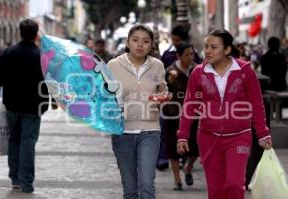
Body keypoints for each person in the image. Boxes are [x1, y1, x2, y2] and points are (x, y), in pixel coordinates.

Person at [177, 29, 272, 199]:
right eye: (206, 47)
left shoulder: (245, 71)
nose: (208, 51)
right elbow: (189, 106)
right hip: (208, 138)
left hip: (239, 136)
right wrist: (182, 135)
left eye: (214, 47)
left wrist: (263, 133)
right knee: (216, 190)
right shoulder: (198, 73)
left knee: (234, 184)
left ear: (227, 50)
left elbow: (256, 104)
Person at [108, 24, 168, 199]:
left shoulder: (157, 66)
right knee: (130, 190)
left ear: (151, 45)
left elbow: (162, 90)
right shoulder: (113, 65)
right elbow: (103, 95)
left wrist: (163, 97)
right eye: (135, 40)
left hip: (150, 130)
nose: (140, 45)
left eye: (145, 41)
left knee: (147, 184)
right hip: (122, 131)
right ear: (128, 43)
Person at [0, 19, 51, 193]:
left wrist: (9, 84)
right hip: (34, 106)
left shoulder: (7, 53)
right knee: (28, 142)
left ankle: (15, 179)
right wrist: (52, 100)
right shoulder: (41, 56)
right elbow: (49, 81)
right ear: (36, 33)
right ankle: (26, 182)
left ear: (20, 32)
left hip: (12, 103)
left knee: (14, 140)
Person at [163, 42, 199, 190]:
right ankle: (177, 180)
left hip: (195, 115)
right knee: (173, 148)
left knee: (196, 148)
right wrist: (170, 80)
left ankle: (188, 167)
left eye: (192, 54)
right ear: (178, 56)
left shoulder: (198, 70)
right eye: (187, 55)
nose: (190, 57)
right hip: (173, 115)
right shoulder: (170, 71)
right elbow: (164, 88)